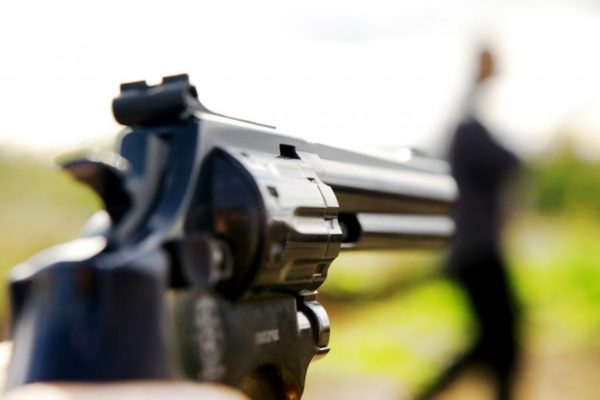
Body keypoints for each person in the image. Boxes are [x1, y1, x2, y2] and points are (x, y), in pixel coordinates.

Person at [418, 48, 521, 400]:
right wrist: (478, 82)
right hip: (477, 251)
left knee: (493, 338)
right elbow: (508, 162)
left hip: (471, 250)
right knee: (502, 337)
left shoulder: (464, 130)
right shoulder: (468, 132)